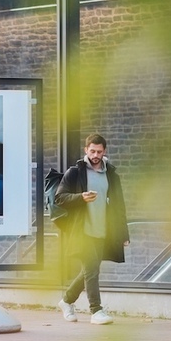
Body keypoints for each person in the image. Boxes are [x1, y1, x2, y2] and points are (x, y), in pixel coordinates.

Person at [55, 133, 129, 325]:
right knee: (92, 270)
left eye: (99, 151)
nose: (95, 154)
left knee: (91, 270)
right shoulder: (75, 172)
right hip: (82, 232)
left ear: (104, 151)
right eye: (92, 151)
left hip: (102, 230)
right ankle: (96, 311)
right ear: (86, 150)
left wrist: (123, 234)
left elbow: (119, 206)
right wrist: (80, 197)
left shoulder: (112, 175)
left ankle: (66, 301)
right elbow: (59, 198)